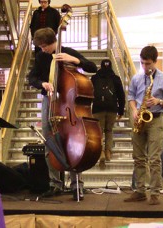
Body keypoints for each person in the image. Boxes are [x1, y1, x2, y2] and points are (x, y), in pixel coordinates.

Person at [27, 27, 97, 200]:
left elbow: (92, 67)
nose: (42, 50)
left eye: (44, 46)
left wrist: (75, 60)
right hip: (50, 102)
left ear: (52, 42)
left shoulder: (68, 53)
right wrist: (43, 84)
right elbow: (32, 78)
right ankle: (54, 184)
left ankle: (76, 186)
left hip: (68, 105)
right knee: (49, 140)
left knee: (74, 142)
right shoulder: (41, 57)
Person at [124, 46, 163, 205]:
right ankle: (139, 191)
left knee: (154, 159)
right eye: (143, 63)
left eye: (148, 64)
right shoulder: (136, 78)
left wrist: (158, 101)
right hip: (140, 118)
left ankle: (154, 193)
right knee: (138, 158)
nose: (145, 67)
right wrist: (133, 110)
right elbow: (131, 96)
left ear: (155, 61)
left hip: (156, 119)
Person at [91, 59, 125, 166]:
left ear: (100, 66)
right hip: (112, 108)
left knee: (99, 132)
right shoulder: (116, 78)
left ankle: (100, 153)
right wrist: (121, 110)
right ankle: (108, 152)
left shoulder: (94, 78)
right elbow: (121, 95)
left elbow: (89, 92)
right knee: (109, 131)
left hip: (98, 108)